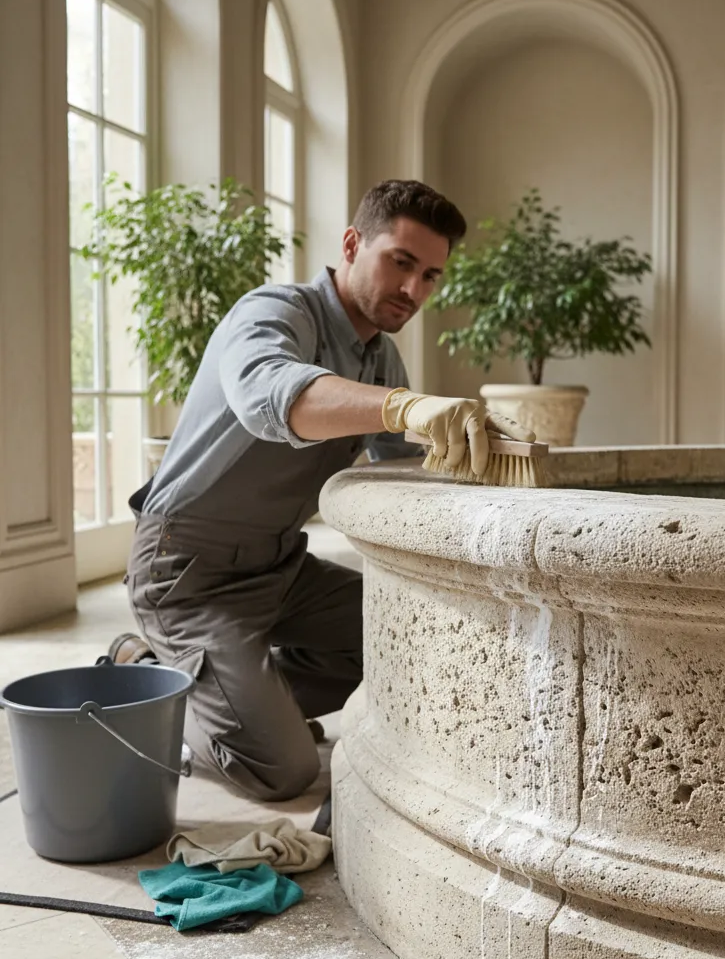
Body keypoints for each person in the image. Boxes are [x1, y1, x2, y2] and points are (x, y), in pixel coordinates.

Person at [108, 180, 534, 801]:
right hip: (187, 571)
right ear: (353, 243)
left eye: (432, 277)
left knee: (410, 633)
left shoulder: (381, 357)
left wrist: (481, 453)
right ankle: (148, 675)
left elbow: (404, 469)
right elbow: (267, 398)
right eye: (402, 263)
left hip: (280, 566)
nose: (414, 291)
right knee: (283, 769)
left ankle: (246, 699)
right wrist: (404, 406)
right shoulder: (274, 311)